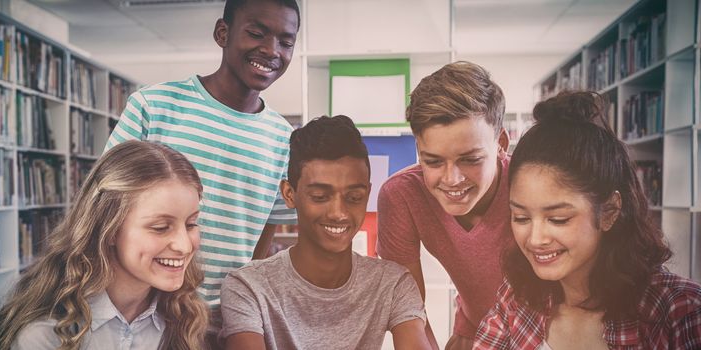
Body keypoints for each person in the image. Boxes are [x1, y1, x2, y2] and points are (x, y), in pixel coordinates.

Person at [104, 0, 300, 340]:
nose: (271, 50)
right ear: (222, 33)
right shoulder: (153, 105)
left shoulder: (284, 138)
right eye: (256, 33)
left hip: (224, 320)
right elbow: (104, 206)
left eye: (286, 41)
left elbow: (267, 229)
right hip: (146, 312)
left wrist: (241, 299)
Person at [474, 91, 701, 349]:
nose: (535, 239)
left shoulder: (683, 311)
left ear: (609, 212)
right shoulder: (517, 297)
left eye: (558, 219)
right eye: (521, 217)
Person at [220, 115, 431, 350]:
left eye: (354, 198)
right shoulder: (248, 286)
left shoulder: (393, 284)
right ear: (289, 194)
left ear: (368, 194)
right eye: (320, 197)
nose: (339, 213)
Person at [0, 140, 208, 350]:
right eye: (160, 227)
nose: (184, 246)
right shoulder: (43, 334)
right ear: (108, 229)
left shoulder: (184, 316)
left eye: (191, 224)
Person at [376, 61, 512, 349]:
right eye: (433, 161)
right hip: (475, 333)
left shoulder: (531, 185)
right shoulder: (402, 195)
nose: (452, 179)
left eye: (470, 159)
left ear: (501, 142)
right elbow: (407, 310)